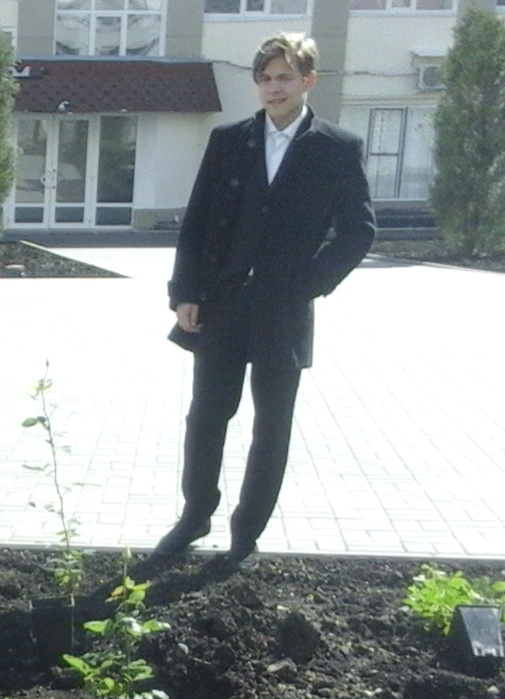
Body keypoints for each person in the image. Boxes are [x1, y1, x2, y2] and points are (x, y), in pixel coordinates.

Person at [154, 32, 375, 570]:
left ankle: (245, 532)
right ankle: (195, 514)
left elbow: (358, 231)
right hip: (222, 305)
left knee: (271, 425)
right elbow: (197, 221)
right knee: (206, 416)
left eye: (285, 78)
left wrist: (309, 284)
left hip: (284, 312)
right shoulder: (229, 141)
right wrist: (185, 293)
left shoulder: (337, 148)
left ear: (307, 80)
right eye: (266, 78)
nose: (274, 88)